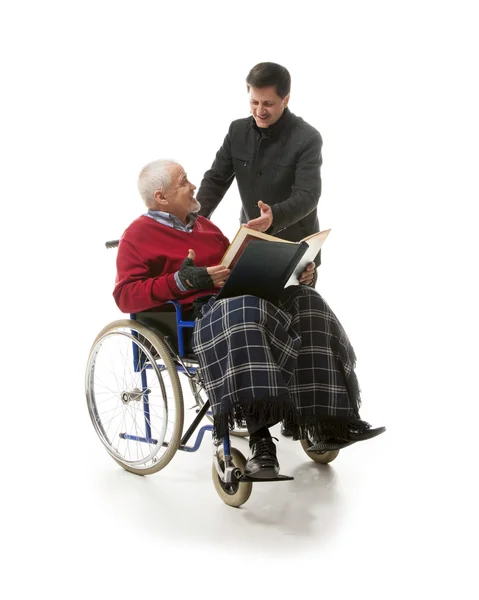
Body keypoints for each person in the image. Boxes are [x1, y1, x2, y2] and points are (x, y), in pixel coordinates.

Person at [113, 159, 385, 480]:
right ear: (161, 197)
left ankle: (325, 422)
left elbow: (233, 269)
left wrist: (298, 271)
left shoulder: (206, 228)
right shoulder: (138, 235)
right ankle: (260, 441)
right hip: (192, 320)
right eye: (184, 181)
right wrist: (183, 281)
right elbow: (126, 295)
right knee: (244, 310)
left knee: (307, 303)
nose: (193, 185)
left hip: (242, 302)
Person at [196, 62, 323, 436]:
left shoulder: (306, 137)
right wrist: (193, 222)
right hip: (252, 245)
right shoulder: (237, 131)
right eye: (254, 102)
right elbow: (215, 180)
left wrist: (275, 217)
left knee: (301, 326)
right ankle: (263, 413)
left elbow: (309, 195)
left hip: (294, 244)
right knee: (254, 324)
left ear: (286, 98)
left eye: (268, 103)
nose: (259, 111)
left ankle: (307, 418)